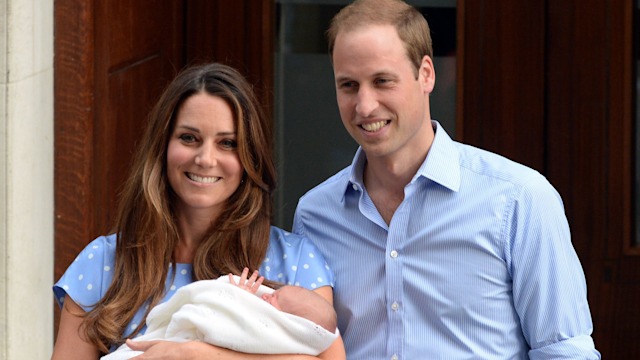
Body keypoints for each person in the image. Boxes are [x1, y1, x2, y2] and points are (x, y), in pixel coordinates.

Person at [292, 0, 600, 359]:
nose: (364, 105)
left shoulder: (519, 199)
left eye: (382, 81)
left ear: (426, 73)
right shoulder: (315, 215)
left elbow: (564, 351)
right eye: (348, 85)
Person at [52, 62, 346, 360]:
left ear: (250, 157)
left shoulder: (295, 261)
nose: (205, 159)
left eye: (227, 143)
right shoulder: (102, 263)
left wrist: (193, 354)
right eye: (189, 138)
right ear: (163, 146)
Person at [101, 268, 339, 360]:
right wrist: (237, 296)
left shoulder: (300, 261)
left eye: (275, 300)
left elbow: (229, 325)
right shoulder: (104, 259)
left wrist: (192, 353)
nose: (266, 297)